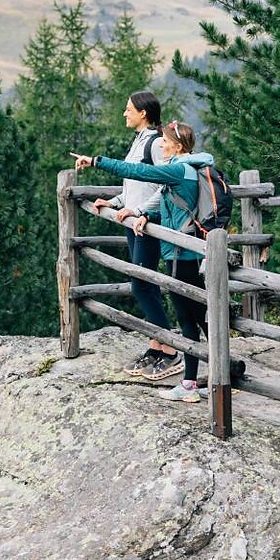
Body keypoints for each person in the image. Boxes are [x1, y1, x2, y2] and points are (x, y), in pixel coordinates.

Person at [77, 120, 218, 404]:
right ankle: (211, 375)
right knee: (199, 318)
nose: (161, 145)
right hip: (185, 253)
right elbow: (174, 205)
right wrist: (145, 214)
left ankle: (191, 384)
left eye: (165, 142)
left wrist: (96, 161)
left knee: (188, 320)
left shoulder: (179, 168)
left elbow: (139, 172)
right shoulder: (189, 170)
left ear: (177, 146)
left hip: (181, 255)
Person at [86, 91, 179, 382]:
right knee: (144, 284)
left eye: (129, 109)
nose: (124, 114)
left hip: (147, 223)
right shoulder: (139, 140)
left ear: (143, 113)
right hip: (133, 220)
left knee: (141, 283)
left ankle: (171, 349)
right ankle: (156, 345)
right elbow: (134, 184)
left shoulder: (155, 142)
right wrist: (113, 203)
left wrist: (139, 211)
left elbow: (165, 185)